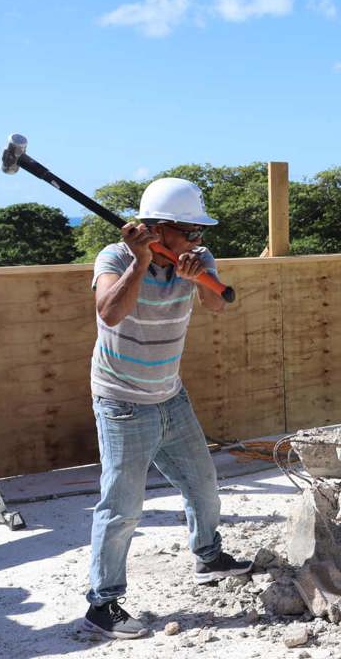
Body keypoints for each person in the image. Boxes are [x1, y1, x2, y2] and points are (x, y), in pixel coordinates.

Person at [80, 178, 251, 639]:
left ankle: (209, 557)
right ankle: (103, 604)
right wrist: (139, 261)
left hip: (170, 395)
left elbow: (216, 306)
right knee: (121, 507)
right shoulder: (116, 258)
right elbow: (110, 313)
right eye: (190, 232)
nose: (199, 240)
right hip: (122, 402)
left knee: (204, 485)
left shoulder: (199, 260)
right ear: (157, 230)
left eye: (200, 232)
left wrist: (199, 279)